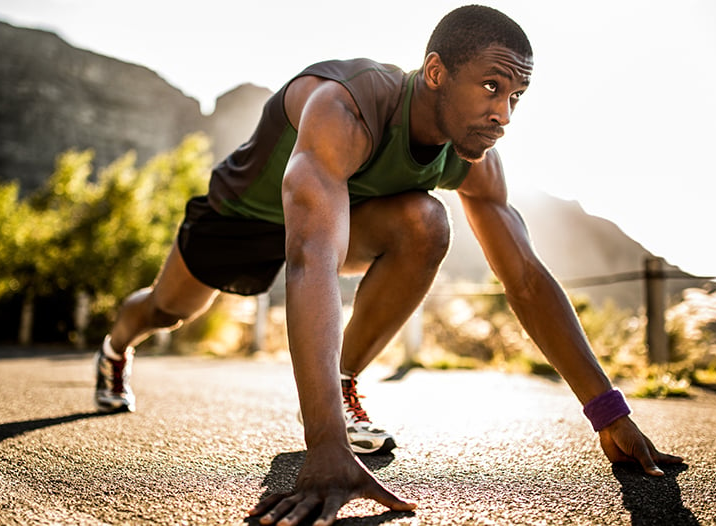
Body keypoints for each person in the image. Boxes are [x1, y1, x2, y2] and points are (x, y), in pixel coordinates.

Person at [94, 4, 684, 525]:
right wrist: (320, 444)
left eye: (515, 97)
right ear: (435, 73)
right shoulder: (346, 105)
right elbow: (309, 262)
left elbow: (525, 279)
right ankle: (116, 349)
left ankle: (344, 382)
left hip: (339, 221)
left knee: (426, 223)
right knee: (169, 310)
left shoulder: (476, 158)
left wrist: (609, 413)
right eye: (490, 87)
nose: (503, 113)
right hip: (244, 217)